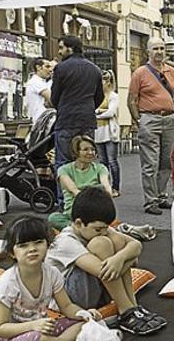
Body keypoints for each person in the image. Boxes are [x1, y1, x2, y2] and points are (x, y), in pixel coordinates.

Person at [0, 215, 104, 341]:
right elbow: (0, 328)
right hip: (13, 337)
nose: (32, 249)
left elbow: (66, 307)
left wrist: (83, 314)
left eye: (38, 242)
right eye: (23, 245)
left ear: (48, 244)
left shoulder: (51, 273)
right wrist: (33, 325)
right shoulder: (8, 283)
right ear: (12, 253)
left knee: (83, 323)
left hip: (44, 328)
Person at [45, 186, 168, 335]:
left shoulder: (97, 228)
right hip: (69, 299)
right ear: (78, 223)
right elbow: (104, 270)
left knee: (115, 240)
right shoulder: (65, 241)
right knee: (101, 243)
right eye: (98, 229)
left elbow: (136, 245)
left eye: (105, 227)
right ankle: (126, 309)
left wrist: (119, 258)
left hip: (95, 290)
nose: (103, 232)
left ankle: (132, 305)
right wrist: (129, 259)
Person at [128, 38, 174, 215]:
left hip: (169, 120)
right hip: (149, 119)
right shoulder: (140, 73)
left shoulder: (172, 71)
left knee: (165, 161)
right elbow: (132, 100)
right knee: (150, 162)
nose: (159, 51)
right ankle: (150, 201)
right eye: (155, 49)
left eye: (162, 48)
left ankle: (161, 196)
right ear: (148, 52)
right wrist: (139, 120)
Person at [50, 36, 105, 206]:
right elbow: (99, 97)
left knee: (63, 163)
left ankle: (64, 202)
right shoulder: (95, 69)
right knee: (86, 160)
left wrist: (64, 106)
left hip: (66, 119)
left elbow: (54, 97)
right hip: (87, 120)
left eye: (61, 48)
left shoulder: (61, 68)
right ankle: (86, 202)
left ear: (70, 48)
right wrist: (88, 108)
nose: (59, 52)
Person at [48, 135, 111, 230]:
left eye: (93, 149)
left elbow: (107, 188)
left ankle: (79, 229)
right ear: (76, 152)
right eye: (85, 149)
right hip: (73, 213)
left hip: (95, 212)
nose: (90, 153)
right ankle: (85, 229)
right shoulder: (64, 170)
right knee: (53, 218)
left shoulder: (100, 168)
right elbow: (75, 191)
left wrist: (104, 191)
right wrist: (95, 190)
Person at [95, 70, 121, 198]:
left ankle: (116, 187)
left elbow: (111, 112)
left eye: (102, 81)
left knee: (112, 161)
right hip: (98, 132)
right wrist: (100, 111)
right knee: (102, 162)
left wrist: (97, 113)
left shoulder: (113, 96)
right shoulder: (97, 96)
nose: (100, 84)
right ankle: (105, 186)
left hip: (110, 133)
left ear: (108, 82)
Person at [24, 58, 53, 126]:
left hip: (45, 120)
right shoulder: (35, 81)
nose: (50, 70)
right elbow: (52, 99)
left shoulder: (44, 82)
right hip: (41, 122)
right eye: (47, 66)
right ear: (38, 67)